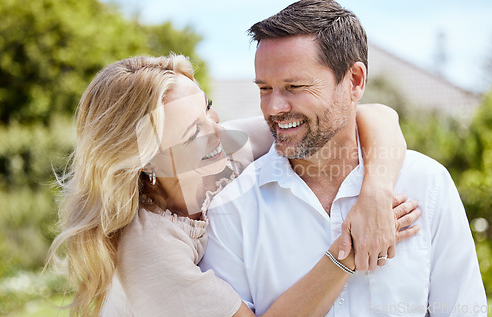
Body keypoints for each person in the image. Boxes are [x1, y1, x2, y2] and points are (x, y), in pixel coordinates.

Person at [46, 54, 419, 317]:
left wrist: (374, 193)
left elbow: (368, 115)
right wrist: (347, 253)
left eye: (206, 107)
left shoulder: (218, 150)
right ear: (146, 163)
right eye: (194, 132)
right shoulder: (150, 254)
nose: (217, 129)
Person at [200, 0, 487, 316]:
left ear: (355, 81)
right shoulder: (230, 210)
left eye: (294, 86)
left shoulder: (427, 185)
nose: (273, 108)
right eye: (264, 89)